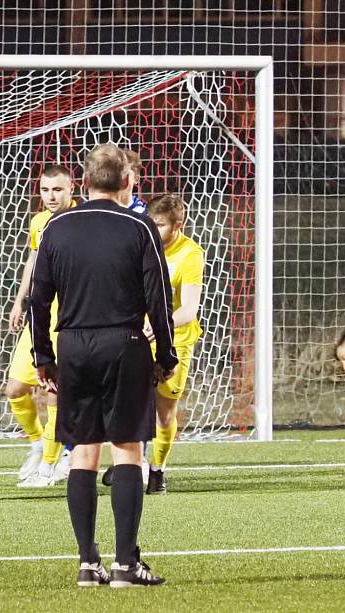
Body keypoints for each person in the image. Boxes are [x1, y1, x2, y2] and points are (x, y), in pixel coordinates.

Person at [30, 143, 177, 587]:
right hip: (124, 342)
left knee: (84, 454)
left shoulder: (56, 226)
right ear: (128, 182)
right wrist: (165, 354)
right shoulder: (140, 225)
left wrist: (43, 356)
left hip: (73, 345)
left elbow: (39, 298)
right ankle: (126, 564)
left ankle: (87, 563)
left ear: (85, 181)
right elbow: (158, 298)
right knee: (129, 449)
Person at [6, 164, 75, 487]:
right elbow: (33, 261)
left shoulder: (81, 220)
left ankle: (49, 466)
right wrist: (21, 300)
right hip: (39, 315)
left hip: (68, 320)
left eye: (57, 189)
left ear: (72, 188)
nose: (50, 196)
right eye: (45, 190)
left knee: (54, 395)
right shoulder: (38, 222)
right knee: (16, 389)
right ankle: (37, 444)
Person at [139, 193, 204, 494]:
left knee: (164, 412)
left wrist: (159, 325)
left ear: (179, 224)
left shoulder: (190, 254)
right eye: (151, 222)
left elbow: (189, 309)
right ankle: (131, 464)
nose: (154, 228)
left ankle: (157, 469)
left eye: (161, 224)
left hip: (176, 341)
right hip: (139, 338)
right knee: (128, 404)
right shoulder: (141, 245)